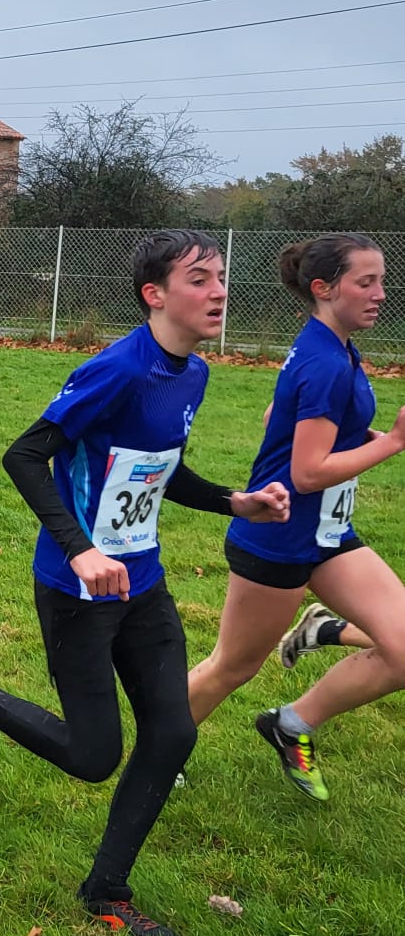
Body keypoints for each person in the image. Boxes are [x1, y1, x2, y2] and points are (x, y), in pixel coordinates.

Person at [0, 230, 290, 936]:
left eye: (222, 277)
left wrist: (235, 501)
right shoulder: (117, 370)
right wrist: (79, 550)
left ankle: (106, 891)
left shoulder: (193, 374)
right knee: (92, 756)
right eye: (200, 279)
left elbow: (158, 471)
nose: (219, 291)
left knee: (172, 733)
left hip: (143, 582)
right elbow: (24, 456)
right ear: (155, 295)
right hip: (76, 590)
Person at [187, 234, 405, 800]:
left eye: (381, 281)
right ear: (324, 288)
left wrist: (360, 435)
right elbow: (308, 473)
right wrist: (393, 443)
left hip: (328, 535)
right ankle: (157, 750)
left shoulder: (333, 347)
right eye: (366, 282)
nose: (381, 294)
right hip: (279, 538)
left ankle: (291, 724)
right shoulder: (325, 361)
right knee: (232, 667)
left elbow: (276, 415)